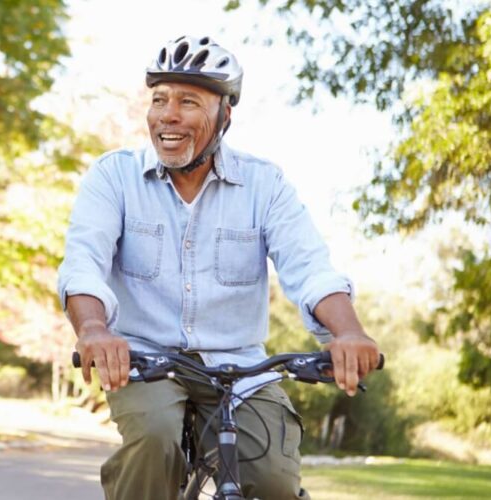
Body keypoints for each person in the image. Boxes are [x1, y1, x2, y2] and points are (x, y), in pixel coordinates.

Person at [57, 36, 381, 500]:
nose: (167, 115)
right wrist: (93, 329)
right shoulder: (114, 177)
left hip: (241, 366)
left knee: (273, 481)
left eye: (188, 102)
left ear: (225, 115)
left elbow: (310, 267)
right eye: (159, 100)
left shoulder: (263, 184)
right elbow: (83, 262)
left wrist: (348, 333)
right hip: (147, 361)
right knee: (152, 441)